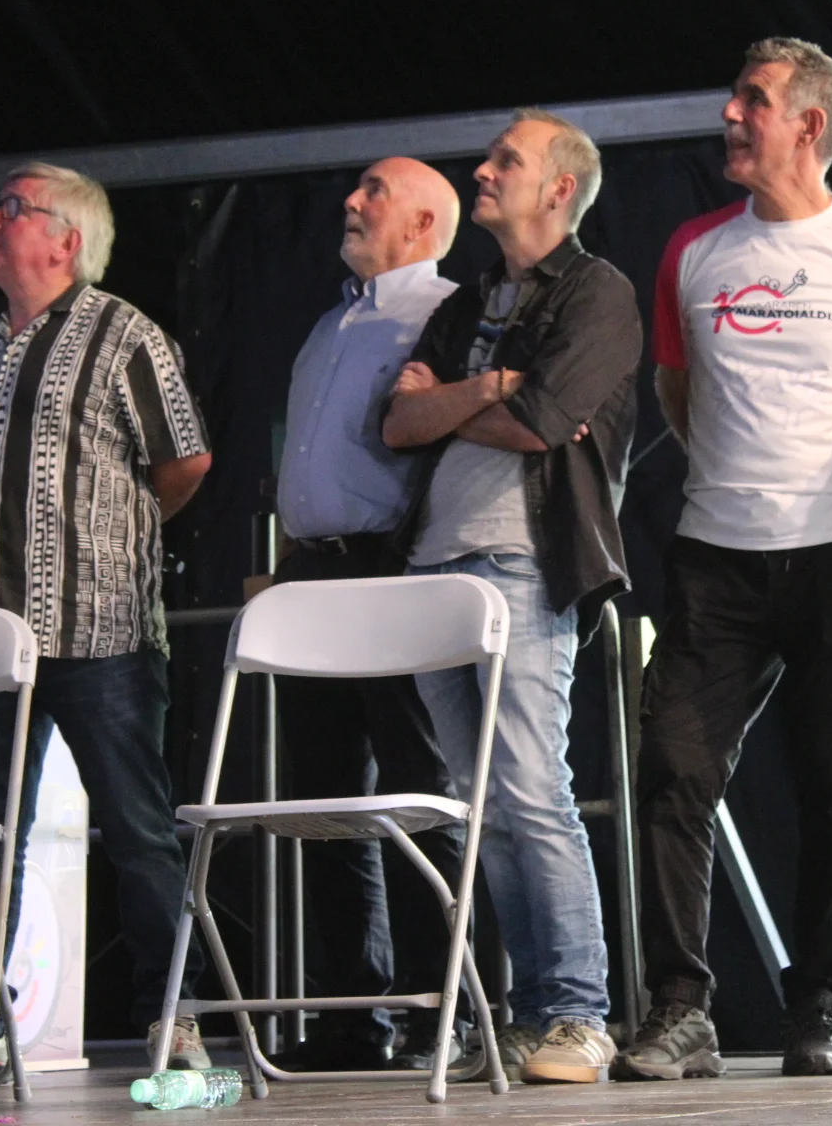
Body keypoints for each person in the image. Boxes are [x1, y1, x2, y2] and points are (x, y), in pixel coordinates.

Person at [620, 38, 832, 1082]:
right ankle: (680, 1006)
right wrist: (740, 483)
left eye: (751, 100)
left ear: (809, 124)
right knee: (673, 766)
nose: (729, 114)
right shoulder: (692, 250)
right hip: (718, 557)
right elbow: (676, 392)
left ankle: (818, 1010)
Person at [0, 162, 213, 1080]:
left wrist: (110, 535)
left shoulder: (126, 334)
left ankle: (171, 1016)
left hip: (104, 632)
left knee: (138, 830)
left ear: (67, 240)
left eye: (13, 209)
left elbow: (186, 462)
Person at [383, 108, 639, 1084]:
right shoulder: (468, 300)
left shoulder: (596, 290)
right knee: (479, 804)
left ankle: (578, 1012)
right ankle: (533, 1015)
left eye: (506, 161)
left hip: (524, 562)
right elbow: (396, 424)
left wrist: (451, 402)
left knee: (532, 788)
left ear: (559, 188)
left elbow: (543, 420)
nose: (483, 172)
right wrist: (490, 386)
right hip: (432, 569)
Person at [271, 156, 467, 1072]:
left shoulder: (447, 312)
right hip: (312, 576)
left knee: (419, 794)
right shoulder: (330, 320)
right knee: (326, 804)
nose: (350, 202)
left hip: (396, 564)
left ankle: (445, 1010)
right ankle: (357, 1015)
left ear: (423, 224)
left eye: (374, 193)